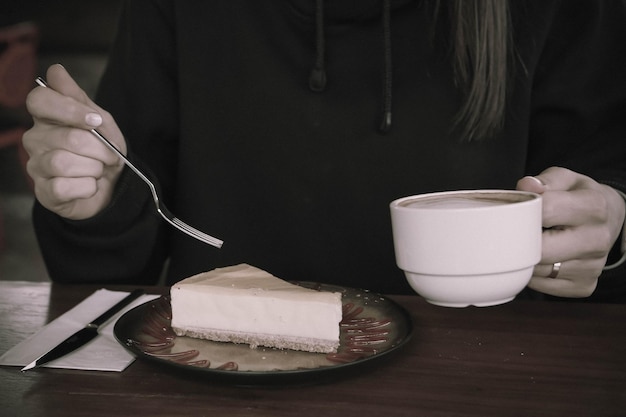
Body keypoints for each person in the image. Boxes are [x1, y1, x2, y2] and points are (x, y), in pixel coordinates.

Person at [23, 0, 626, 301]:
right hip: (218, 379)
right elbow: (112, 269)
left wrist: (609, 231)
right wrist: (96, 203)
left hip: (489, 381)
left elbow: (601, 186)